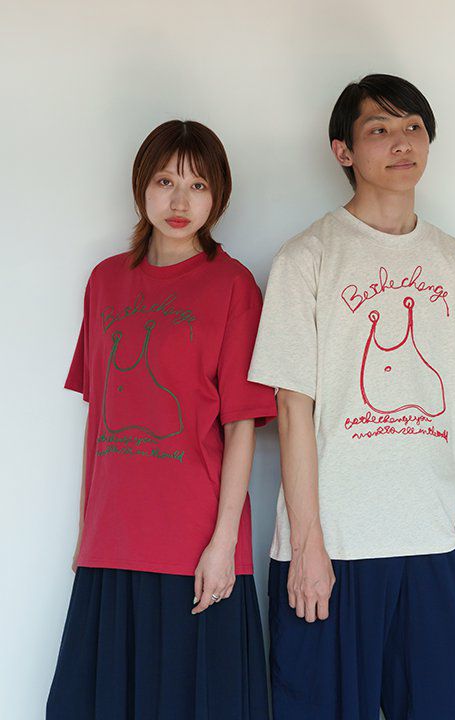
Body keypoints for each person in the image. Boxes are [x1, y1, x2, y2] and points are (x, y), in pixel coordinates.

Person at [248, 74, 455, 719]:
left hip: (431, 546)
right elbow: (292, 410)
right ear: (344, 151)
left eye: (413, 127)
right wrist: (308, 545)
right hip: (332, 552)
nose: (401, 142)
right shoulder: (308, 258)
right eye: (378, 129)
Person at [46, 120, 277, 720]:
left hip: (196, 546)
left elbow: (242, 425)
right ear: (141, 187)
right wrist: (85, 533)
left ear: (217, 197)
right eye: (165, 181)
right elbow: (100, 419)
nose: (180, 201)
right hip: (113, 539)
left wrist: (224, 545)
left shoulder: (233, 286)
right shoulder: (105, 282)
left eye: (198, 186)